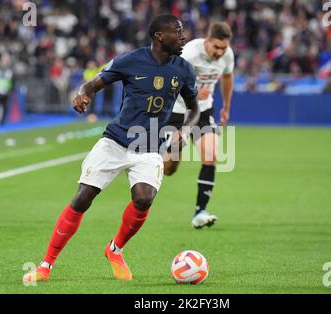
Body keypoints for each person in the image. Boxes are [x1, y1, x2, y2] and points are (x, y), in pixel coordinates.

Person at [23, 14, 199, 282]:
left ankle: (115, 249)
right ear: (159, 36)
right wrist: (83, 95)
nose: (183, 36)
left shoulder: (184, 69)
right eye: (178, 31)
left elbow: (194, 107)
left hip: (150, 147)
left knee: (143, 199)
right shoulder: (130, 60)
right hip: (115, 141)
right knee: (83, 197)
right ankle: (46, 266)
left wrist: (183, 131)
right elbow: (91, 85)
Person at [163, 22, 234, 229]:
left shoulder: (227, 55)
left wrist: (226, 107)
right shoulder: (189, 54)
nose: (220, 52)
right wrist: (192, 93)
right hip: (176, 112)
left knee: (210, 156)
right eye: (216, 48)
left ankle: (199, 212)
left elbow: (228, 77)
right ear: (207, 41)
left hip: (203, 111)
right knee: (169, 168)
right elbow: (168, 83)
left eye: (223, 48)